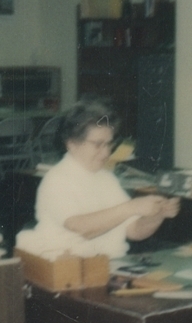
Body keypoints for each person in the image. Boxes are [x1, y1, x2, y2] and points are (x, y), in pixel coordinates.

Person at [34, 98, 180, 258]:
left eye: (109, 144)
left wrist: (157, 215)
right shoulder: (57, 180)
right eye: (98, 144)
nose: (106, 153)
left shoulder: (106, 178)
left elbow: (134, 231)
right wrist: (132, 207)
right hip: (72, 269)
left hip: (112, 264)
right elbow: (81, 229)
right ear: (72, 144)